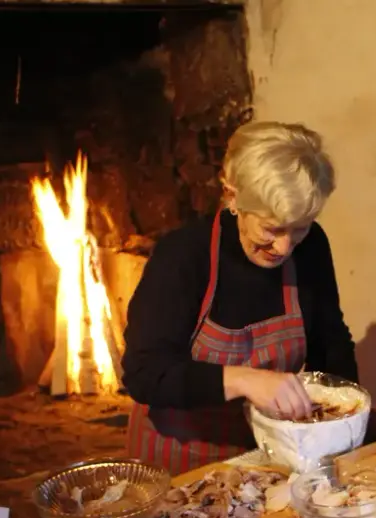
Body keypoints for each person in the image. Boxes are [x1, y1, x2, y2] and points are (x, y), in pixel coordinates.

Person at [122, 121, 361, 476]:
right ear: (232, 196)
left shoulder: (310, 248)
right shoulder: (183, 256)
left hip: (269, 457)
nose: (283, 246)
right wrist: (246, 380)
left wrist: (353, 416)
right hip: (181, 463)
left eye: (299, 227)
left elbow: (332, 343)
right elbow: (143, 374)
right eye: (271, 227)